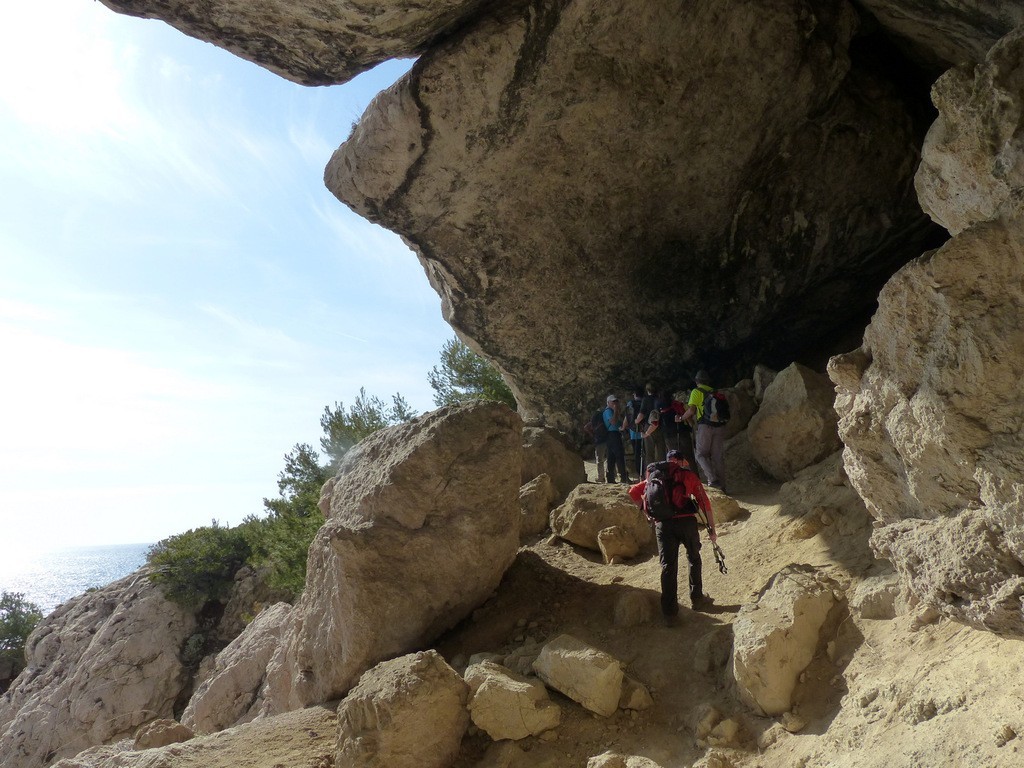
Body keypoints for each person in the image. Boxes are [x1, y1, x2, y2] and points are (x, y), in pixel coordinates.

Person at [628, 450, 717, 619]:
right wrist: (711, 528)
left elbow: (633, 492)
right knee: (694, 558)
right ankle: (697, 598)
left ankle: (669, 613)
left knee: (668, 566)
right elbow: (703, 502)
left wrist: (645, 511)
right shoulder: (687, 475)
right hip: (686, 523)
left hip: (663, 525)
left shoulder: (654, 476)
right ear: (682, 461)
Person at [682, 370, 727, 492]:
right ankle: (722, 486)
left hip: (705, 426)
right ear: (707, 381)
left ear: (697, 381)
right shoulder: (715, 392)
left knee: (700, 454)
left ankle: (712, 480)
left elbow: (691, 410)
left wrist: (681, 418)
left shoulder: (696, 392)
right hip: (719, 426)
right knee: (717, 456)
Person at [603, 394, 629, 483]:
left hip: (613, 435)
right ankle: (623, 478)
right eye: (613, 402)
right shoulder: (608, 411)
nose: (615, 403)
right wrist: (615, 410)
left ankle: (610, 478)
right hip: (612, 435)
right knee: (619, 455)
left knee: (611, 457)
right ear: (608, 402)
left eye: (616, 401)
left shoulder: (611, 411)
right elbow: (613, 422)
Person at [625, 387, 645, 478]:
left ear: (635, 394)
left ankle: (639, 473)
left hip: (634, 433)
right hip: (645, 432)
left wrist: (623, 427)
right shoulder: (644, 402)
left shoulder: (630, 403)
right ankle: (646, 471)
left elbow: (627, 417)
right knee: (646, 453)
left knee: (637, 454)